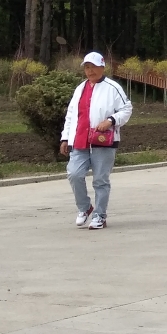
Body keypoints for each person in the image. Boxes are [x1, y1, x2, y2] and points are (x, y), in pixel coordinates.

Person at [60, 51, 133, 229]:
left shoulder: (112, 87)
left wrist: (110, 121)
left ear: (102, 67)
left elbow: (126, 109)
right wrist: (65, 138)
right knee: (74, 174)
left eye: (93, 67)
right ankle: (85, 208)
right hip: (79, 140)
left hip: (103, 140)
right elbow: (71, 115)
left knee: (100, 179)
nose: (90, 71)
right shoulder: (80, 88)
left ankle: (100, 215)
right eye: (87, 67)